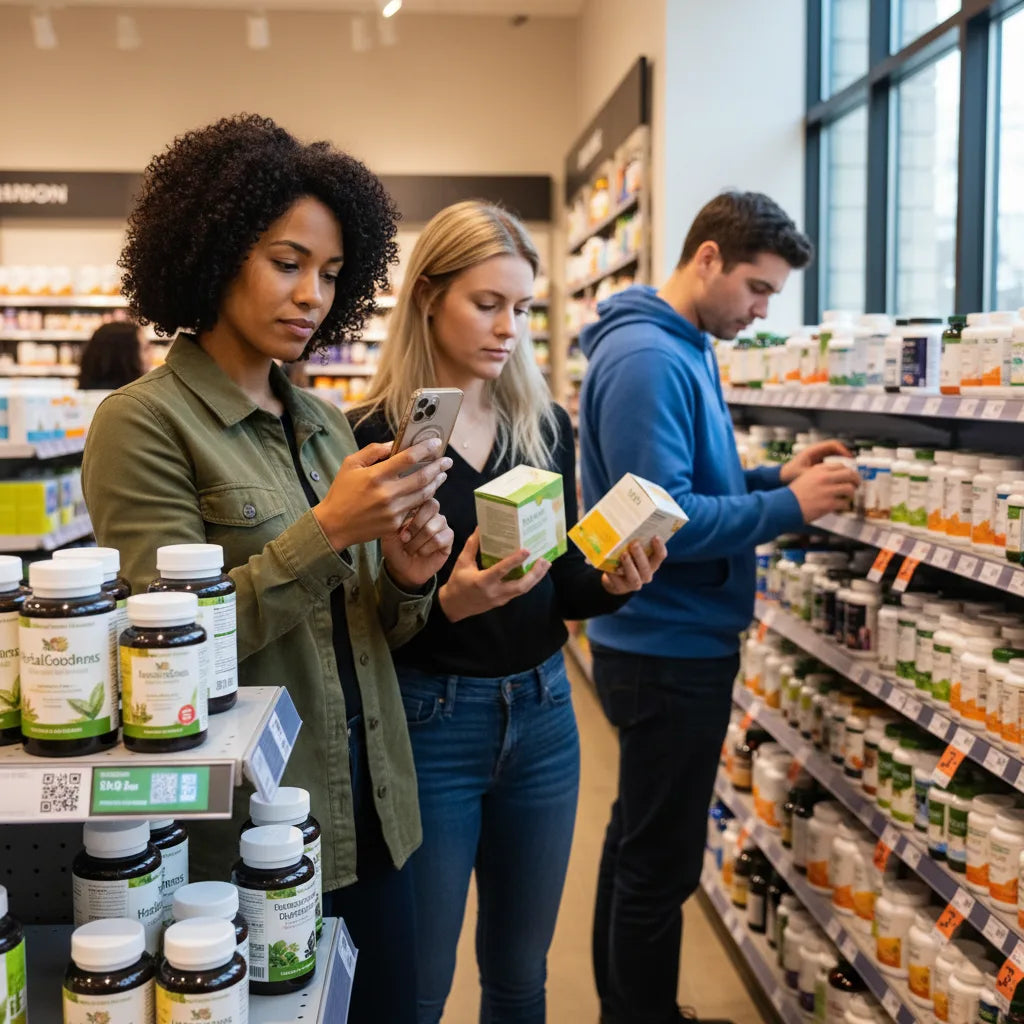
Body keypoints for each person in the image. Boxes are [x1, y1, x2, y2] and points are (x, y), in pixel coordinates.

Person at [81, 114, 455, 1024]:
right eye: (287, 263)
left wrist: (407, 574)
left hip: (377, 810)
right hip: (251, 842)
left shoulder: (326, 424)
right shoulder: (146, 424)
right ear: (212, 254)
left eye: (331, 274)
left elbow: (377, 629)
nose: (312, 296)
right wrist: (326, 533)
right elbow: (156, 654)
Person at [351, 199, 667, 1024]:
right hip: (429, 724)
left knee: (522, 974)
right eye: (486, 304)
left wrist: (616, 582)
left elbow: (558, 584)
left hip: (544, 716)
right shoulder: (370, 440)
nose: (508, 329)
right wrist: (442, 600)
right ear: (428, 297)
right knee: (419, 984)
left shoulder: (542, 424)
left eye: (521, 308)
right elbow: (359, 619)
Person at [578, 190, 861, 1024]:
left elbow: (700, 486)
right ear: (707, 259)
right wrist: (791, 510)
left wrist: (776, 479)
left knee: (639, 843)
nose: (763, 308)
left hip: (667, 640)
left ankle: (628, 1009)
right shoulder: (651, 359)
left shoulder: (683, 343)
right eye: (757, 288)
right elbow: (666, 513)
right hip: (667, 647)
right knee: (659, 866)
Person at [77, 320, 151, 389]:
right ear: (125, 359)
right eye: (145, 349)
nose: (151, 354)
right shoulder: (133, 397)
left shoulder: (81, 395)